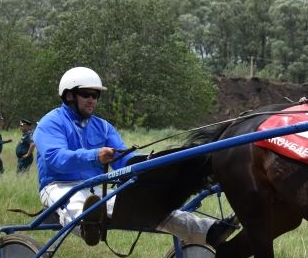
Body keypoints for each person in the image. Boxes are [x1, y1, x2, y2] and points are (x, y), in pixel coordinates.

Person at [34, 66, 238, 247]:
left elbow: (124, 160)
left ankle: (210, 231)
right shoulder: (50, 123)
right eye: (87, 94)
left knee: (152, 209)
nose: (92, 100)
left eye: (96, 95)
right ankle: (88, 226)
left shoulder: (104, 127)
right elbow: (56, 158)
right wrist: (95, 156)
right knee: (78, 206)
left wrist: (151, 162)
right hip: (59, 185)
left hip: (96, 187)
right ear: (69, 95)